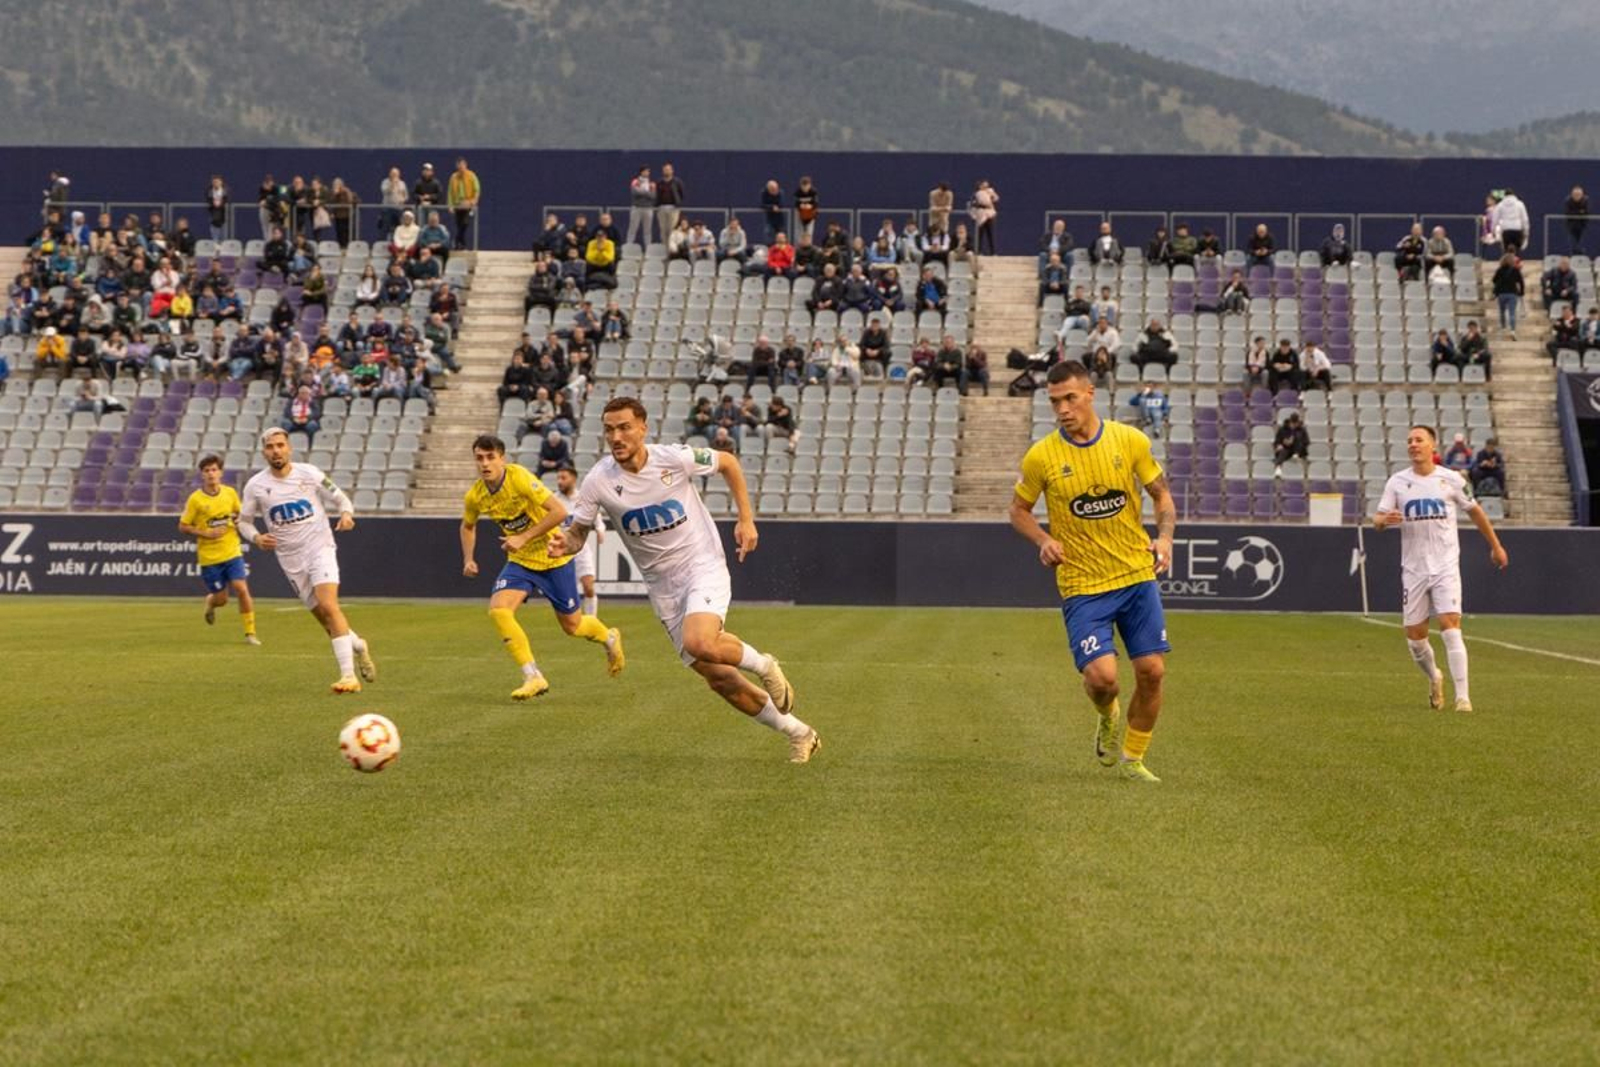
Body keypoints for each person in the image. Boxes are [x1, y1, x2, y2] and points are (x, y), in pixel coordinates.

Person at [549, 397, 818, 763]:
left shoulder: (672, 459)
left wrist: (746, 519)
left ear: (643, 428)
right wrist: (565, 542)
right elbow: (578, 532)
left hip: (701, 565)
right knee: (719, 678)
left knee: (700, 640)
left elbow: (728, 462)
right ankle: (800, 733)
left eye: (625, 427)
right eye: (609, 429)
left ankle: (764, 664)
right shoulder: (599, 480)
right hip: (663, 588)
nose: (617, 436)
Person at [1008, 360, 1177, 783]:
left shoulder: (1129, 440)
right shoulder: (1042, 456)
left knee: (1152, 671)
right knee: (1103, 680)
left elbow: (1161, 495)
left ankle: (1133, 760)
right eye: (1054, 402)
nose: (1063, 409)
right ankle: (1107, 715)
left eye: (1069, 398)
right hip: (1083, 584)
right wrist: (1043, 540)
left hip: (1136, 576)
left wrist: (1166, 538)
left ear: (1089, 395)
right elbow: (1018, 510)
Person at [460, 436, 623, 701]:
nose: (485, 464)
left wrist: (524, 537)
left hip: (553, 558)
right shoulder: (476, 495)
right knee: (499, 611)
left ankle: (609, 638)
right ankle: (533, 676)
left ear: (503, 458)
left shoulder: (520, 478)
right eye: (479, 458)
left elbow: (558, 512)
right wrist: (468, 558)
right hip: (521, 562)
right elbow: (467, 525)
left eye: (490, 457)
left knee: (573, 626)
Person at [1374, 425, 1509, 712]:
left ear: (1432, 446)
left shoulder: (1452, 480)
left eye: (1419, 440)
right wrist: (1386, 520)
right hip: (1413, 569)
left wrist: (1496, 546)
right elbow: (1377, 520)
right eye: (1409, 440)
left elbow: (1475, 511)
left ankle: (1463, 697)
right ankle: (1435, 676)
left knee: (1450, 626)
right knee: (1415, 639)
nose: (1413, 444)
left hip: (1446, 566)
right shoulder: (1397, 482)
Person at [236, 428, 376, 693]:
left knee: (328, 604)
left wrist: (346, 514)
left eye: (280, 445)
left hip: (319, 547)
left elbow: (339, 497)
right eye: (270, 447)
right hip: (290, 559)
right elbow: (243, 522)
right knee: (325, 620)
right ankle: (357, 645)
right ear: (264, 451)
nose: (276, 450)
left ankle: (348, 676)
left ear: (289, 448)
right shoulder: (255, 486)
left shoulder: (309, 473)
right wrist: (256, 537)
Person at [178, 455, 260, 645]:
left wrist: (239, 520)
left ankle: (250, 633)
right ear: (202, 475)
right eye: (207, 471)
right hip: (209, 557)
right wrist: (206, 533)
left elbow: (239, 515)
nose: (211, 474)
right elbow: (183, 526)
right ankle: (211, 602)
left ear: (220, 472)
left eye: (214, 470)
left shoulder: (230, 493)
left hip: (232, 551)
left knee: (241, 588)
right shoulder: (196, 500)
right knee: (222, 599)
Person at [447, 157, 480, 250]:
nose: (461, 167)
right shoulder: (453, 177)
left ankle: (457, 241)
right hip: (458, 205)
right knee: (459, 224)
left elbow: (476, 189)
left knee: (465, 223)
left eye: (462, 165)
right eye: (459, 165)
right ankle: (461, 245)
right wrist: (450, 205)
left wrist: (473, 201)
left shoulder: (471, 176)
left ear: (466, 165)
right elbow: (450, 192)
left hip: (468, 204)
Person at [1491, 189, 1529, 255]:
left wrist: (1493, 231)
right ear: (1514, 195)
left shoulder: (1500, 205)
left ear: (1504, 196)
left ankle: (1507, 263)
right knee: (1517, 251)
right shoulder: (1520, 204)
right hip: (1517, 230)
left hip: (1506, 230)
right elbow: (1525, 220)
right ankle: (1516, 263)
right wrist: (1526, 232)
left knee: (1506, 252)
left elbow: (1495, 219)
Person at [969, 180, 998, 255]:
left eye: (987, 185)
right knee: (980, 234)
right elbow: (980, 202)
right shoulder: (977, 193)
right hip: (981, 215)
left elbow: (996, 199)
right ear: (980, 186)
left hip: (989, 215)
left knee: (990, 234)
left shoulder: (989, 191)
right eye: (984, 185)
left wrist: (992, 194)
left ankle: (993, 252)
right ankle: (978, 251)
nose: (986, 186)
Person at [1565, 186, 1589, 254]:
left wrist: (1576, 212)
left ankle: (1583, 257)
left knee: (1582, 243)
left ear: (1582, 195)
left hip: (1583, 225)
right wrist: (1579, 212)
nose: (1577, 196)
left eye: (1578, 195)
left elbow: (1586, 212)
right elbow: (1568, 213)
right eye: (1575, 195)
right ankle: (1573, 256)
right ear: (1572, 195)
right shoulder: (1568, 200)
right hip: (1571, 225)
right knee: (1572, 243)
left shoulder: (1586, 200)